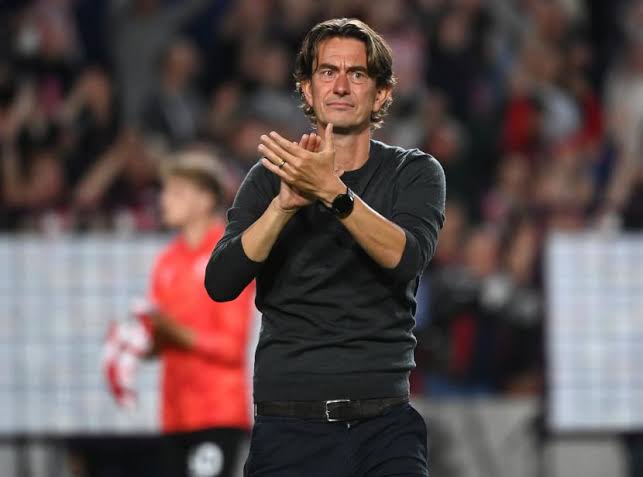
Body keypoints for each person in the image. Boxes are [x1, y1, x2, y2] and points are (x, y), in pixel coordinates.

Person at [205, 18, 446, 477]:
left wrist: (334, 192)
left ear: (381, 94)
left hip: (384, 425)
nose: (340, 86)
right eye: (327, 72)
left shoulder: (415, 173)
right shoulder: (269, 178)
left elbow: (406, 258)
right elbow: (220, 282)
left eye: (357, 74)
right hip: (288, 427)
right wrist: (282, 207)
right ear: (307, 89)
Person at [105, 151, 255, 477]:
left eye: (176, 192)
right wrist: (130, 344)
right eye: (165, 191)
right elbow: (160, 342)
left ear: (204, 199)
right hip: (174, 415)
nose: (164, 200)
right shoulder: (166, 261)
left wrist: (170, 329)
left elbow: (231, 347)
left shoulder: (229, 255)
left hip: (216, 413)